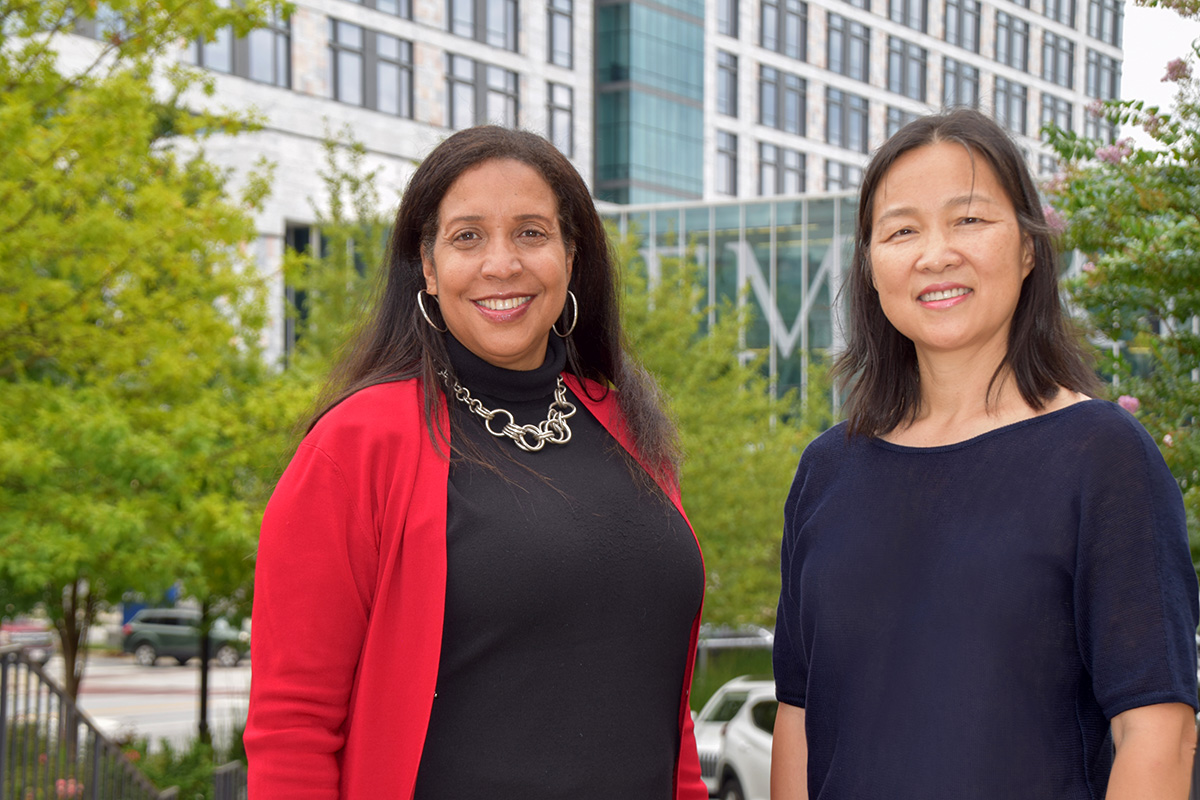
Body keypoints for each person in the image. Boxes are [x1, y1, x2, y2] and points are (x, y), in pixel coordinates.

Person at [244, 126, 708, 799]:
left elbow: (665, 705)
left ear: (571, 257)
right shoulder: (356, 445)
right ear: (428, 267)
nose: (501, 264)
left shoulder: (627, 425)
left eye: (530, 233)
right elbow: (294, 726)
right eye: (467, 237)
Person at [771, 108, 1199, 799]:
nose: (935, 253)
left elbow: (1158, 729)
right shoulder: (827, 471)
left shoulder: (1103, 457)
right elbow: (798, 712)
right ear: (873, 269)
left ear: (1029, 249)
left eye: (968, 220)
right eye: (902, 229)